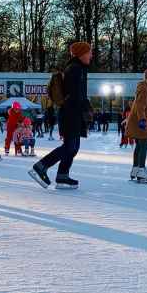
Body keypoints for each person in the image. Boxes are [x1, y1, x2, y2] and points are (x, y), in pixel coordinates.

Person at [29, 41, 91, 189]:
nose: (91, 55)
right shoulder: (75, 69)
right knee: (70, 147)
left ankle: (62, 175)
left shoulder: (78, 68)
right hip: (71, 114)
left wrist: (85, 107)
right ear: (81, 54)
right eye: (89, 52)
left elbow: (77, 95)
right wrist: (85, 108)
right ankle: (41, 166)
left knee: (73, 147)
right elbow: (75, 95)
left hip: (73, 113)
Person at [125, 68, 147, 184]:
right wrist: (142, 120)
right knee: (144, 144)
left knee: (139, 145)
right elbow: (140, 105)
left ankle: (135, 169)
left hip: (138, 119)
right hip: (140, 120)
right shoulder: (145, 87)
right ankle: (141, 169)